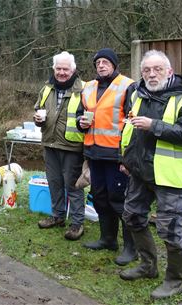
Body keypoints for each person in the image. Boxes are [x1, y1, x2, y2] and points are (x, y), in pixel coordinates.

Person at [119, 50, 182, 299]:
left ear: (169, 71)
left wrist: (155, 125)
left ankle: (175, 280)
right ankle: (148, 266)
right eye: (146, 70)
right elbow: (129, 129)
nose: (151, 74)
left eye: (157, 69)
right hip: (140, 173)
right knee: (133, 217)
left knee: (170, 229)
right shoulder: (137, 94)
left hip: (170, 177)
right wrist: (124, 158)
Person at [77, 48, 137, 265]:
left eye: (105, 62)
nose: (101, 65)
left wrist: (127, 157)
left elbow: (133, 122)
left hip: (116, 156)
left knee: (119, 200)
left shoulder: (127, 86)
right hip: (94, 153)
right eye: (98, 62)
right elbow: (79, 114)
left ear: (114, 64)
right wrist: (80, 123)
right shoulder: (89, 87)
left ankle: (131, 248)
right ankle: (108, 239)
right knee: (100, 197)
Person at [34, 52, 85, 240]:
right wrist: (37, 119)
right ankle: (57, 216)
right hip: (50, 142)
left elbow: (88, 116)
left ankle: (77, 223)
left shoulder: (83, 89)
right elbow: (37, 108)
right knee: (54, 183)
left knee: (73, 186)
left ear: (73, 70)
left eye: (65, 69)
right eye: (58, 69)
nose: (61, 72)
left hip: (72, 146)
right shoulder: (47, 88)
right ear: (53, 69)